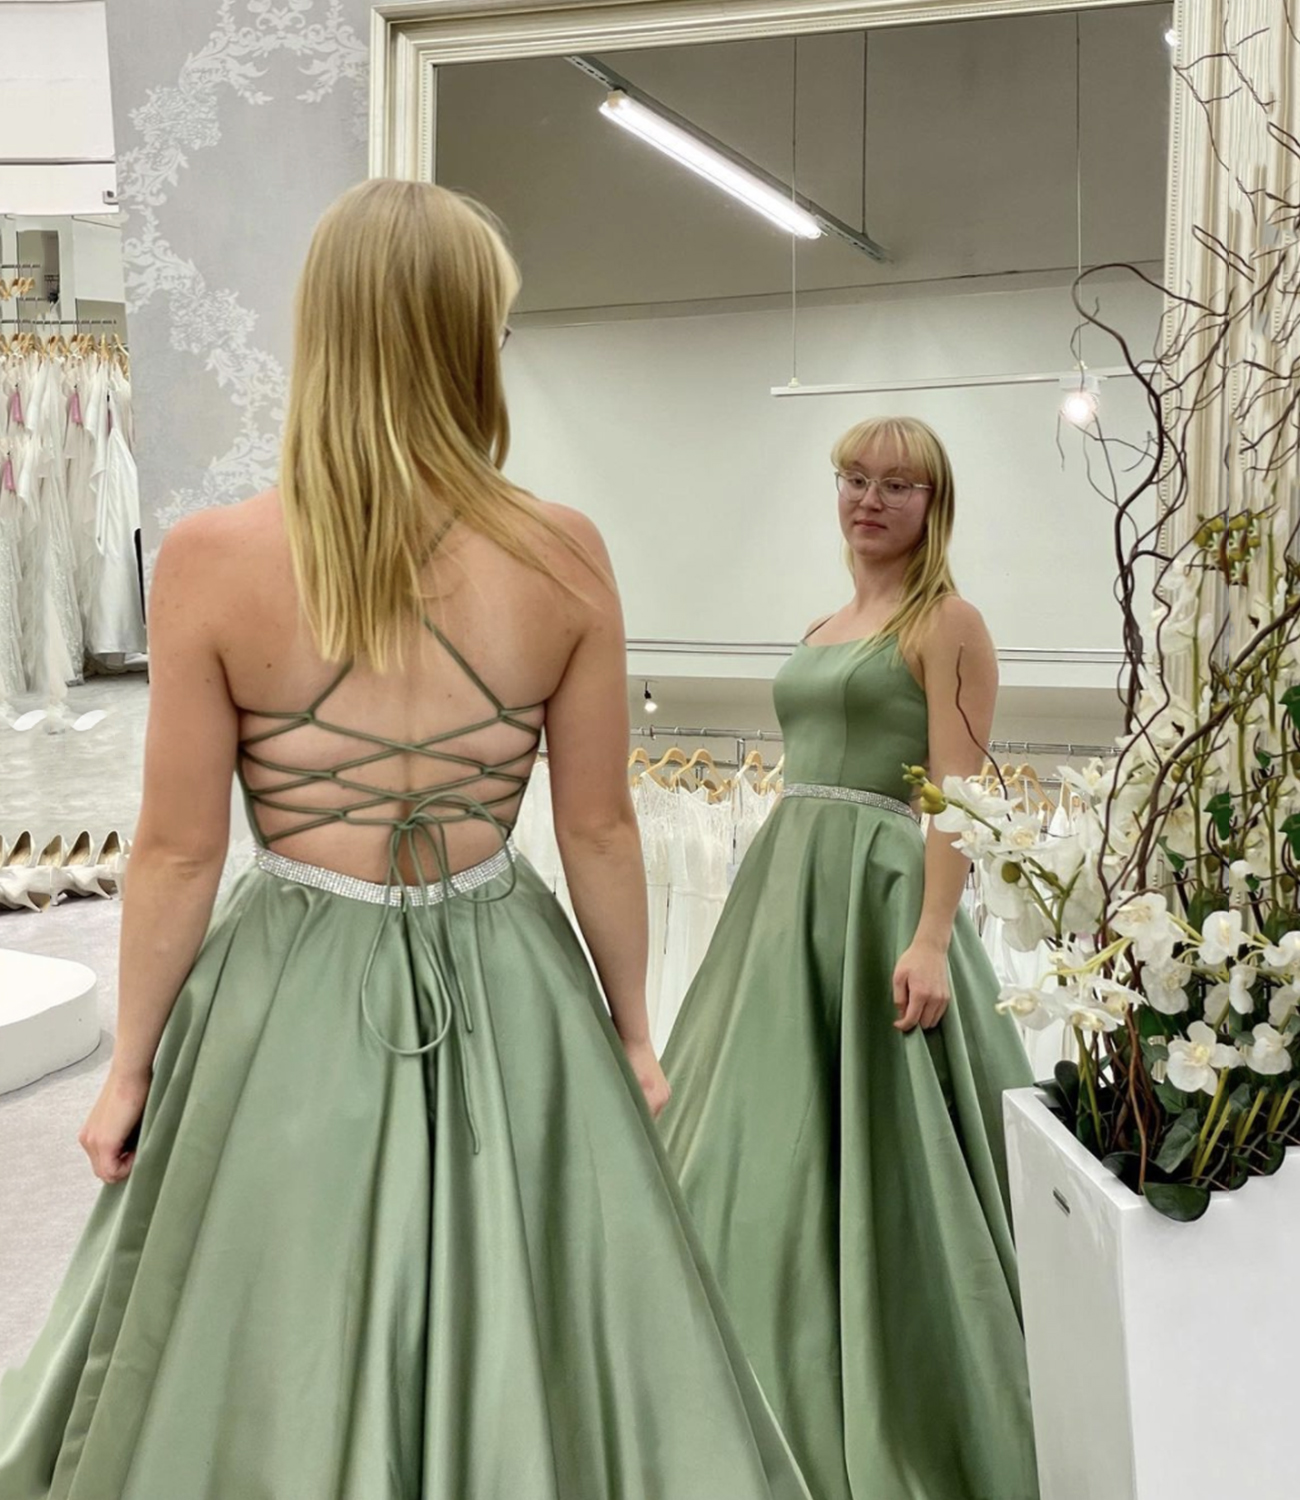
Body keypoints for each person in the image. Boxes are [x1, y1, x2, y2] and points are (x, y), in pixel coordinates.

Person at [0, 180, 809, 1500]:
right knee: (542, 1311)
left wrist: (130, 1066)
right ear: (466, 339)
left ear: (325, 335)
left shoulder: (211, 557)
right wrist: (631, 1032)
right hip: (509, 975)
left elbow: (177, 852)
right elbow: (598, 826)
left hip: (286, 990)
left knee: (271, 1321)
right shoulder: (565, 554)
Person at [659, 415, 1040, 1500]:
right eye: (854, 479)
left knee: (891, 1150)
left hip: (879, 897)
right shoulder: (822, 625)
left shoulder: (949, 622)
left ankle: (898, 1389)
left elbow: (959, 796)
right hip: (786, 896)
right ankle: (741, 1376)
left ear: (934, 504)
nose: (870, 500)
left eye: (897, 485)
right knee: (755, 1139)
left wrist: (932, 936)